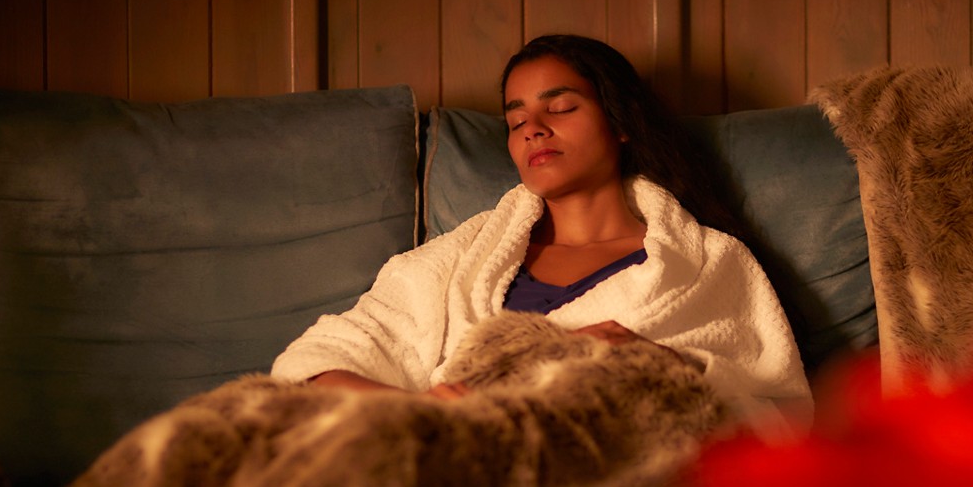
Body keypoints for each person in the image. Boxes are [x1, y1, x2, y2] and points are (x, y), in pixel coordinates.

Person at [271, 34, 811, 429]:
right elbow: (319, 361)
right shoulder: (459, 262)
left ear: (621, 124)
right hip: (459, 458)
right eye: (516, 120)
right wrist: (422, 407)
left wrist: (654, 361)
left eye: (560, 107)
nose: (534, 127)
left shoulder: (707, 262)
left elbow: (774, 419)